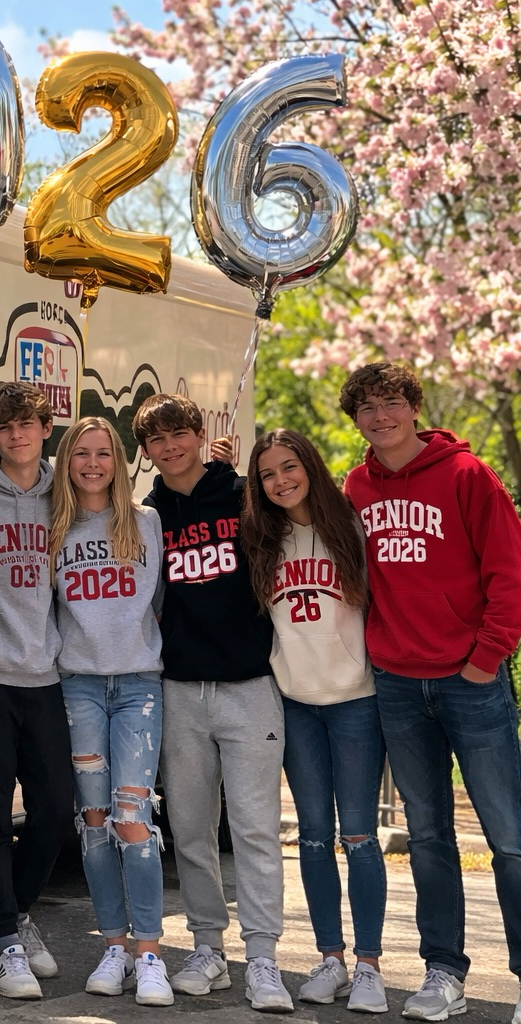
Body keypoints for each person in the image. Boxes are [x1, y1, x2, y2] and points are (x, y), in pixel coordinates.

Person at [337, 363, 521, 1024]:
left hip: (470, 682)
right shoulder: (356, 485)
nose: (380, 417)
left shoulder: (468, 477)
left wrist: (486, 658)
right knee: (429, 836)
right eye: (366, 409)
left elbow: (509, 570)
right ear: (355, 419)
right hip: (397, 683)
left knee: (510, 837)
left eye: (390, 404)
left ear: (414, 406)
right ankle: (444, 971)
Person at [133, 393, 294, 1013]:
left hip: (251, 688)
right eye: (157, 441)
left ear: (200, 435)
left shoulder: (245, 495)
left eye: (180, 434)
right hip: (179, 690)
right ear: (145, 451)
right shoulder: (150, 515)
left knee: (253, 831)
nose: (171, 448)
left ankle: (262, 959)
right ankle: (206, 948)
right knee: (191, 832)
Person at [239, 428, 389, 1014]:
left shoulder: (351, 525)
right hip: (295, 703)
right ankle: (330, 958)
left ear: (310, 466)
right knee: (314, 836)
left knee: (358, 835)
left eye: (289, 467)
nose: (280, 481)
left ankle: (370, 965)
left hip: (356, 699)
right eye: (268, 473)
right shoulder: (261, 538)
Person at [47, 416, 172, 1008]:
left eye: (104, 454)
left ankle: (149, 953)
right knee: (94, 820)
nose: (93, 464)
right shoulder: (55, 529)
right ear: (66, 463)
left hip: (139, 685)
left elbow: (163, 604)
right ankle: (114, 945)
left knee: (131, 816)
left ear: (120, 463)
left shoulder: (146, 523)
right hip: (80, 688)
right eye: (81, 454)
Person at [0, 382, 70, 1001]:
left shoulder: (66, 490)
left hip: (49, 675)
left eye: (26, 424)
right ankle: (6, 940)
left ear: (44, 427)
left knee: (56, 809)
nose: (16, 435)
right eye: (3, 428)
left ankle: (18, 909)